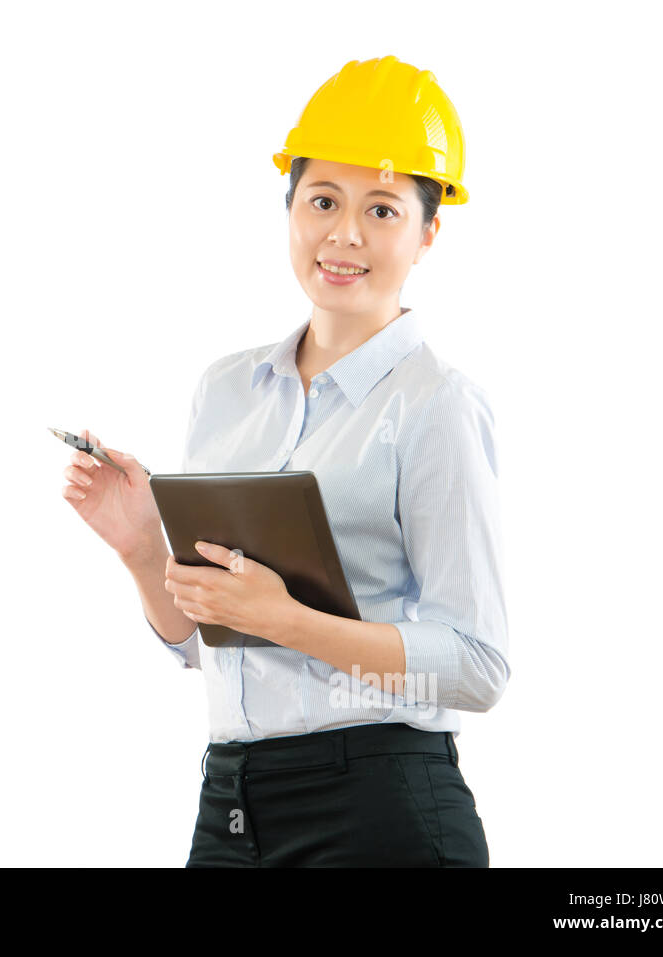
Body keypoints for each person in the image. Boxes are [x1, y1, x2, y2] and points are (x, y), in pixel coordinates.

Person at [61, 56, 508, 867]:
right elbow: (214, 642)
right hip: (232, 803)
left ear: (428, 231)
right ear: (291, 206)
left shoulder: (436, 404)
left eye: (381, 208)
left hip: (379, 806)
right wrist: (139, 548)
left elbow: (477, 666)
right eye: (323, 201)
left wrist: (291, 620)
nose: (344, 234)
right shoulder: (228, 390)